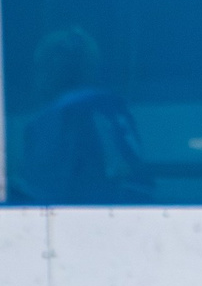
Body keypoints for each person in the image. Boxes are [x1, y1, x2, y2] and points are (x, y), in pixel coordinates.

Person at [13, 29, 148, 206]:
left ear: (50, 71)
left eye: (41, 68)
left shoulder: (55, 120)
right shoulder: (115, 110)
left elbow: (44, 190)